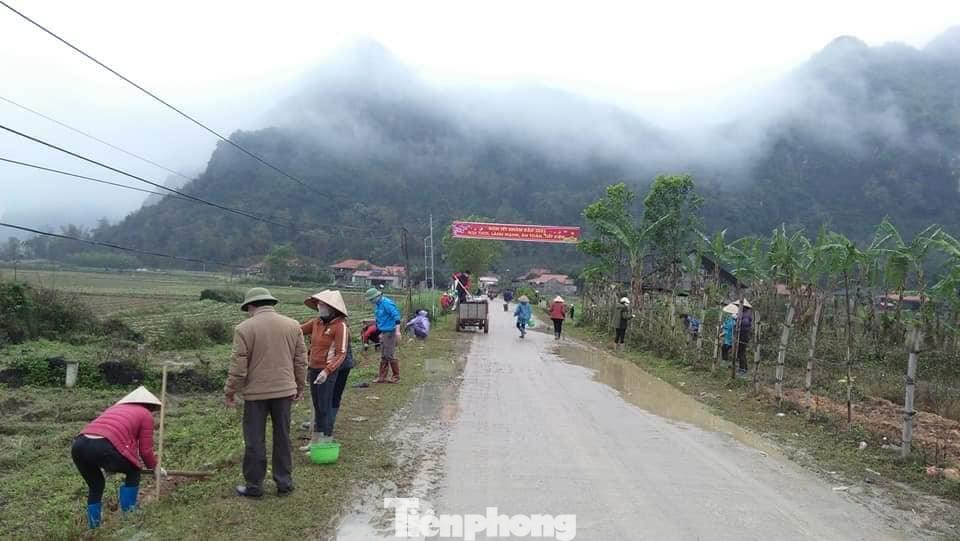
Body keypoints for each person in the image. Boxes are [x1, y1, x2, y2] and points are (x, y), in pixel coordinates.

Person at [224, 287, 307, 498]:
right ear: (270, 303)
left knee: (254, 439)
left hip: (255, 394)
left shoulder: (244, 329)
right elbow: (301, 360)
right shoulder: (293, 325)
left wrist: (230, 391)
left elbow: (238, 367)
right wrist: (300, 385)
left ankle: (254, 486)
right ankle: (284, 483)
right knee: (283, 436)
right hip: (285, 391)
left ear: (251, 306)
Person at [72, 386, 164, 529]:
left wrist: (109, 464)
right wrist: (155, 467)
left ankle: (94, 527)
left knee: (96, 486)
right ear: (149, 405)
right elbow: (145, 450)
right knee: (134, 471)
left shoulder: (113, 409)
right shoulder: (145, 414)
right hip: (104, 445)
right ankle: (129, 514)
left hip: (79, 445)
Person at [300, 290, 352, 450]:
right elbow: (298, 329)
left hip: (330, 370)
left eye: (322, 304)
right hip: (314, 367)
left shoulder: (340, 326)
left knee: (326, 405)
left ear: (331, 307)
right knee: (317, 405)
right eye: (318, 304)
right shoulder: (317, 322)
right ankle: (314, 440)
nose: (319, 307)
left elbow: (341, 353)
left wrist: (327, 371)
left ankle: (326, 441)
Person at [366, 287, 402, 383]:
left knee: (389, 354)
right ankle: (382, 377)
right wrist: (380, 332)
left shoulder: (387, 303)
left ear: (377, 296)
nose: (371, 301)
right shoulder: (378, 305)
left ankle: (396, 376)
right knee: (383, 354)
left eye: (371, 299)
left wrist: (398, 331)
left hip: (390, 332)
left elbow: (397, 317)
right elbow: (380, 319)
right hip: (384, 332)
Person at [736, 306, 754, 375]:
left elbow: (745, 325)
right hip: (742, 336)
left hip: (743, 336)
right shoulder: (744, 314)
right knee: (741, 353)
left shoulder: (745, 315)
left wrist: (738, 320)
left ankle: (742, 369)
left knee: (741, 353)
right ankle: (744, 368)